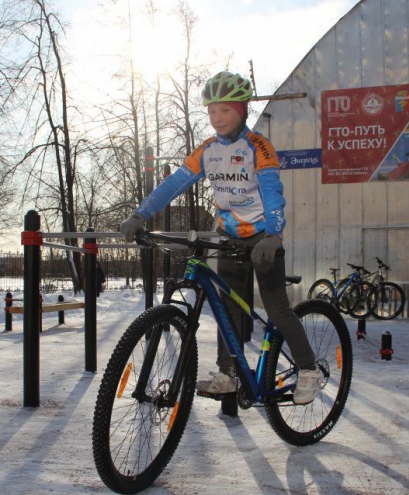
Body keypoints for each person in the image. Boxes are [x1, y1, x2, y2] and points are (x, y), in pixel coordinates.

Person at [119, 71, 321, 405]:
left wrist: (274, 234)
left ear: (241, 110)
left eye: (224, 110)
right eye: (211, 111)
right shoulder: (208, 150)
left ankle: (309, 368)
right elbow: (174, 184)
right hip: (228, 236)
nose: (216, 118)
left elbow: (273, 194)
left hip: (262, 238)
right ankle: (228, 374)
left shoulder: (258, 147)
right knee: (226, 309)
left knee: (277, 308)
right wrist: (141, 213)